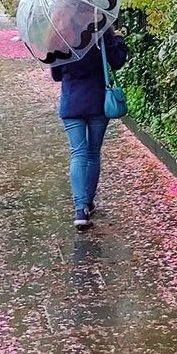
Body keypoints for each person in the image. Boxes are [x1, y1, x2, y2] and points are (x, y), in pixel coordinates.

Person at [51, 25, 128, 231]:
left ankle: (79, 209)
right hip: (97, 101)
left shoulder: (61, 34)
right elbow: (118, 61)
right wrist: (118, 38)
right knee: (93, 152)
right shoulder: (100, 29)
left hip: (72, 103)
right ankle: (88, 202)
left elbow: (57, 75)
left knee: (78, 153)